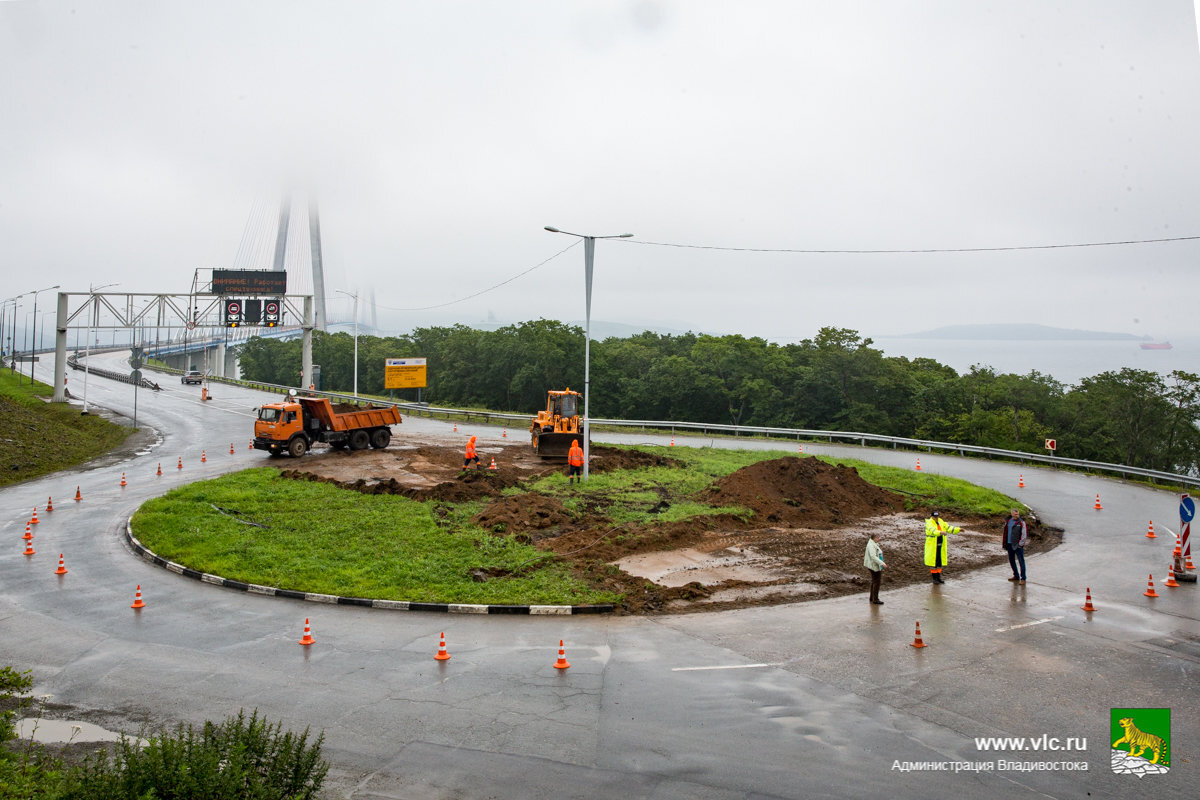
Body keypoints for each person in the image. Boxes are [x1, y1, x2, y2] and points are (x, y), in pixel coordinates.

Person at [924, 511, 961, 584]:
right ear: (931, 516)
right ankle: (935, 578)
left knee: (939, 562)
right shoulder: (929, 523)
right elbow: (932, 531)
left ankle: (938, 578)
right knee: (933, 562)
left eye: (937, 516)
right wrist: (940, 532)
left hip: (940, 544)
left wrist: (958, 529)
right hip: (932, 545)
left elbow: (948, 528)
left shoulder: (941, 521)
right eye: (934, 517)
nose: (936, 518)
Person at [1002, 508, 1027, 584]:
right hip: (1009, 544)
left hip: (1018, 545)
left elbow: (1024, 534)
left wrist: (1020, 544)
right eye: (1015, 514)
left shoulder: (1021, 522)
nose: (1017, 515)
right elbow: (1005, 532)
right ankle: (1016, 575)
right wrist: (1005, 543)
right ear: (1012, 514)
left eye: (1018, 514)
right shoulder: (1008, 521)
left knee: (1021, 561)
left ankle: (1023, 578)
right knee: (1011, 560)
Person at [863, 532, 886, 604]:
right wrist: (882, 563)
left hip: (872, 565)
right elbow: (873, 556)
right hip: (873, 565)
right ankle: (875, 599)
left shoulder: (872, 543)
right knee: (877, 582)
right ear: (875, 538)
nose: (879, 539)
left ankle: (872, 598)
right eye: (878, 537)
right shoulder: (871, 545)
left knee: (874, 581)